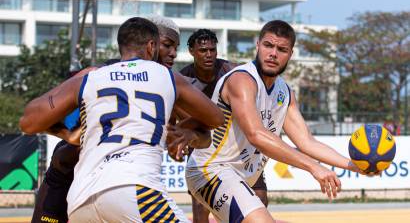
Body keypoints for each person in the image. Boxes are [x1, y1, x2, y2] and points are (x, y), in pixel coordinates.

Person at [20, 17, 224, 222]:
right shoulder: (168, 80)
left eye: (176, 47)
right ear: (151, 45)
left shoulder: (94, 76)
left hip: (82, 195)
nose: (173, 53)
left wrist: (186, 135)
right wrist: (69, 135)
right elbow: (216, 118)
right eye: (167, 45)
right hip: (82, 179)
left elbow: (29, 121)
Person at [186, 20, 364, 223]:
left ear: (290, 54)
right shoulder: (242, 80)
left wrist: (354, 166)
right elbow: (256, 135)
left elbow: (307, 142)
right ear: (257, 45)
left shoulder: (284, 92)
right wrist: (314, 167)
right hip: (211, 170)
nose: (273, 54)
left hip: (238, 178)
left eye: (281, 49)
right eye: (268, 46)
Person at [179, 29, 268, 223]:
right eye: (203, 50)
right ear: (191, 51)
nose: (209, 54)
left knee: (260, 196)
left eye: (212, 49)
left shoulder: (232, 71)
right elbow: (181, 115)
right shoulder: (184, 78)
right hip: (203, 139)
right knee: (201, 202)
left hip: (236, 141)